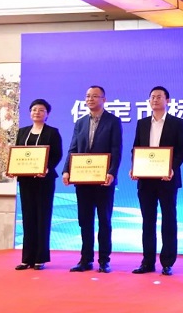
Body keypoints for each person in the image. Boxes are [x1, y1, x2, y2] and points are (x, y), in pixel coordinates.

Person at [62, 86, 123, 273]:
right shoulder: (80, 122)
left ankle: (104, 260)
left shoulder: (113, 121)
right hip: (83, 180)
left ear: (104, 99)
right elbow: (73, 148)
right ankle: (86, 259)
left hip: (104, 180)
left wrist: (112, 172)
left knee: (104, 221)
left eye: (95, 96)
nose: (90, 99)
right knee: (85, 220)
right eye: (88, 96)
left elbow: (116, 149)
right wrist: (66, 171)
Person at [130, 86, 183, 276]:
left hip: (167, 179)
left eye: (159, 97)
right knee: (148, 221)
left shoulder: (177, 123)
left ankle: (167, 262)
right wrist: (134, 167)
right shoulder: (142, 123)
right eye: (152, 97)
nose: (155, 100)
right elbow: (136, 148)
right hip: (146, 180)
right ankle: (147, 262)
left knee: (169, 220)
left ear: (167, 100)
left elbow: (182, 149)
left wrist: (172, 168)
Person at [12, 99, 63, 271]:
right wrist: (13, 168)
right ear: (30, 113)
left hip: (44, 180)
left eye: (41, 110)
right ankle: (27, 258)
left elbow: (57, 154)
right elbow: (18, 154)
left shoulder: (52, 132)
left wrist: (47, 169)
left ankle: (40, 258)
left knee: (42, 217)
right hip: (26, 180)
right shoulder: (22, 132)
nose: (37, 112)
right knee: (27, 218)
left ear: (47, 114)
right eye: (34, 109)